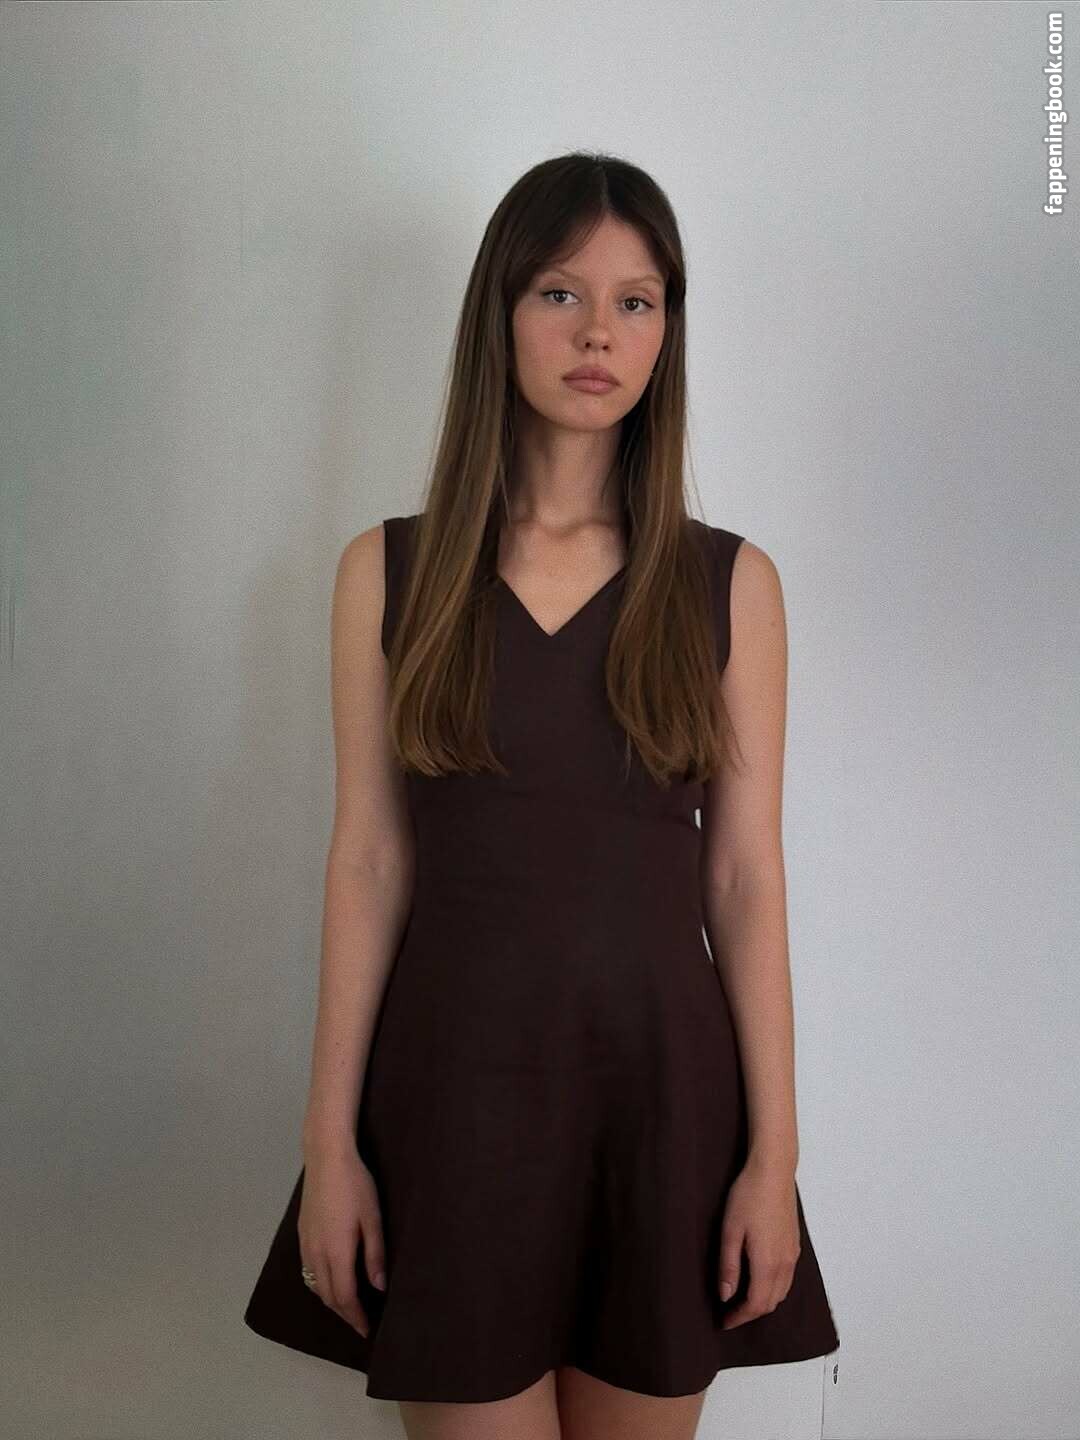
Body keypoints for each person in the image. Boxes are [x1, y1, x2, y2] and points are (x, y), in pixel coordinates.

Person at [243, 150, 840, 1440]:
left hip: (663, 1109)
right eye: (561, 293)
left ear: (668, 332)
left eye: (637, 301)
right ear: (500, 313)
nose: (598, 333)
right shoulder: (387, 574)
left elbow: (745, 878)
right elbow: (370, 862)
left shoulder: (731, 586)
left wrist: (774, 1158)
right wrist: (328, 1145)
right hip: (452, 1098)